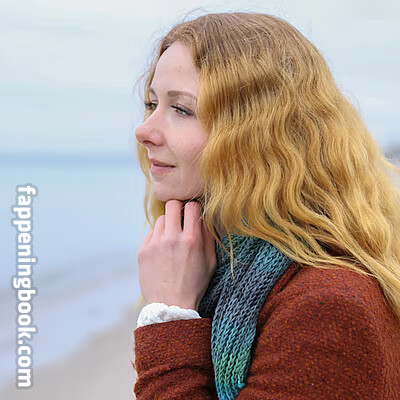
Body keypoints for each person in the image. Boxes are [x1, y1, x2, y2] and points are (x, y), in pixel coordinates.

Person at [131, 11, 400, 400]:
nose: (144, 130)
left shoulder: (327, 306)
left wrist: (169, 318)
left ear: (259, 135)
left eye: (182, 109)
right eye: (152, 103)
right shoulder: (219, 269)